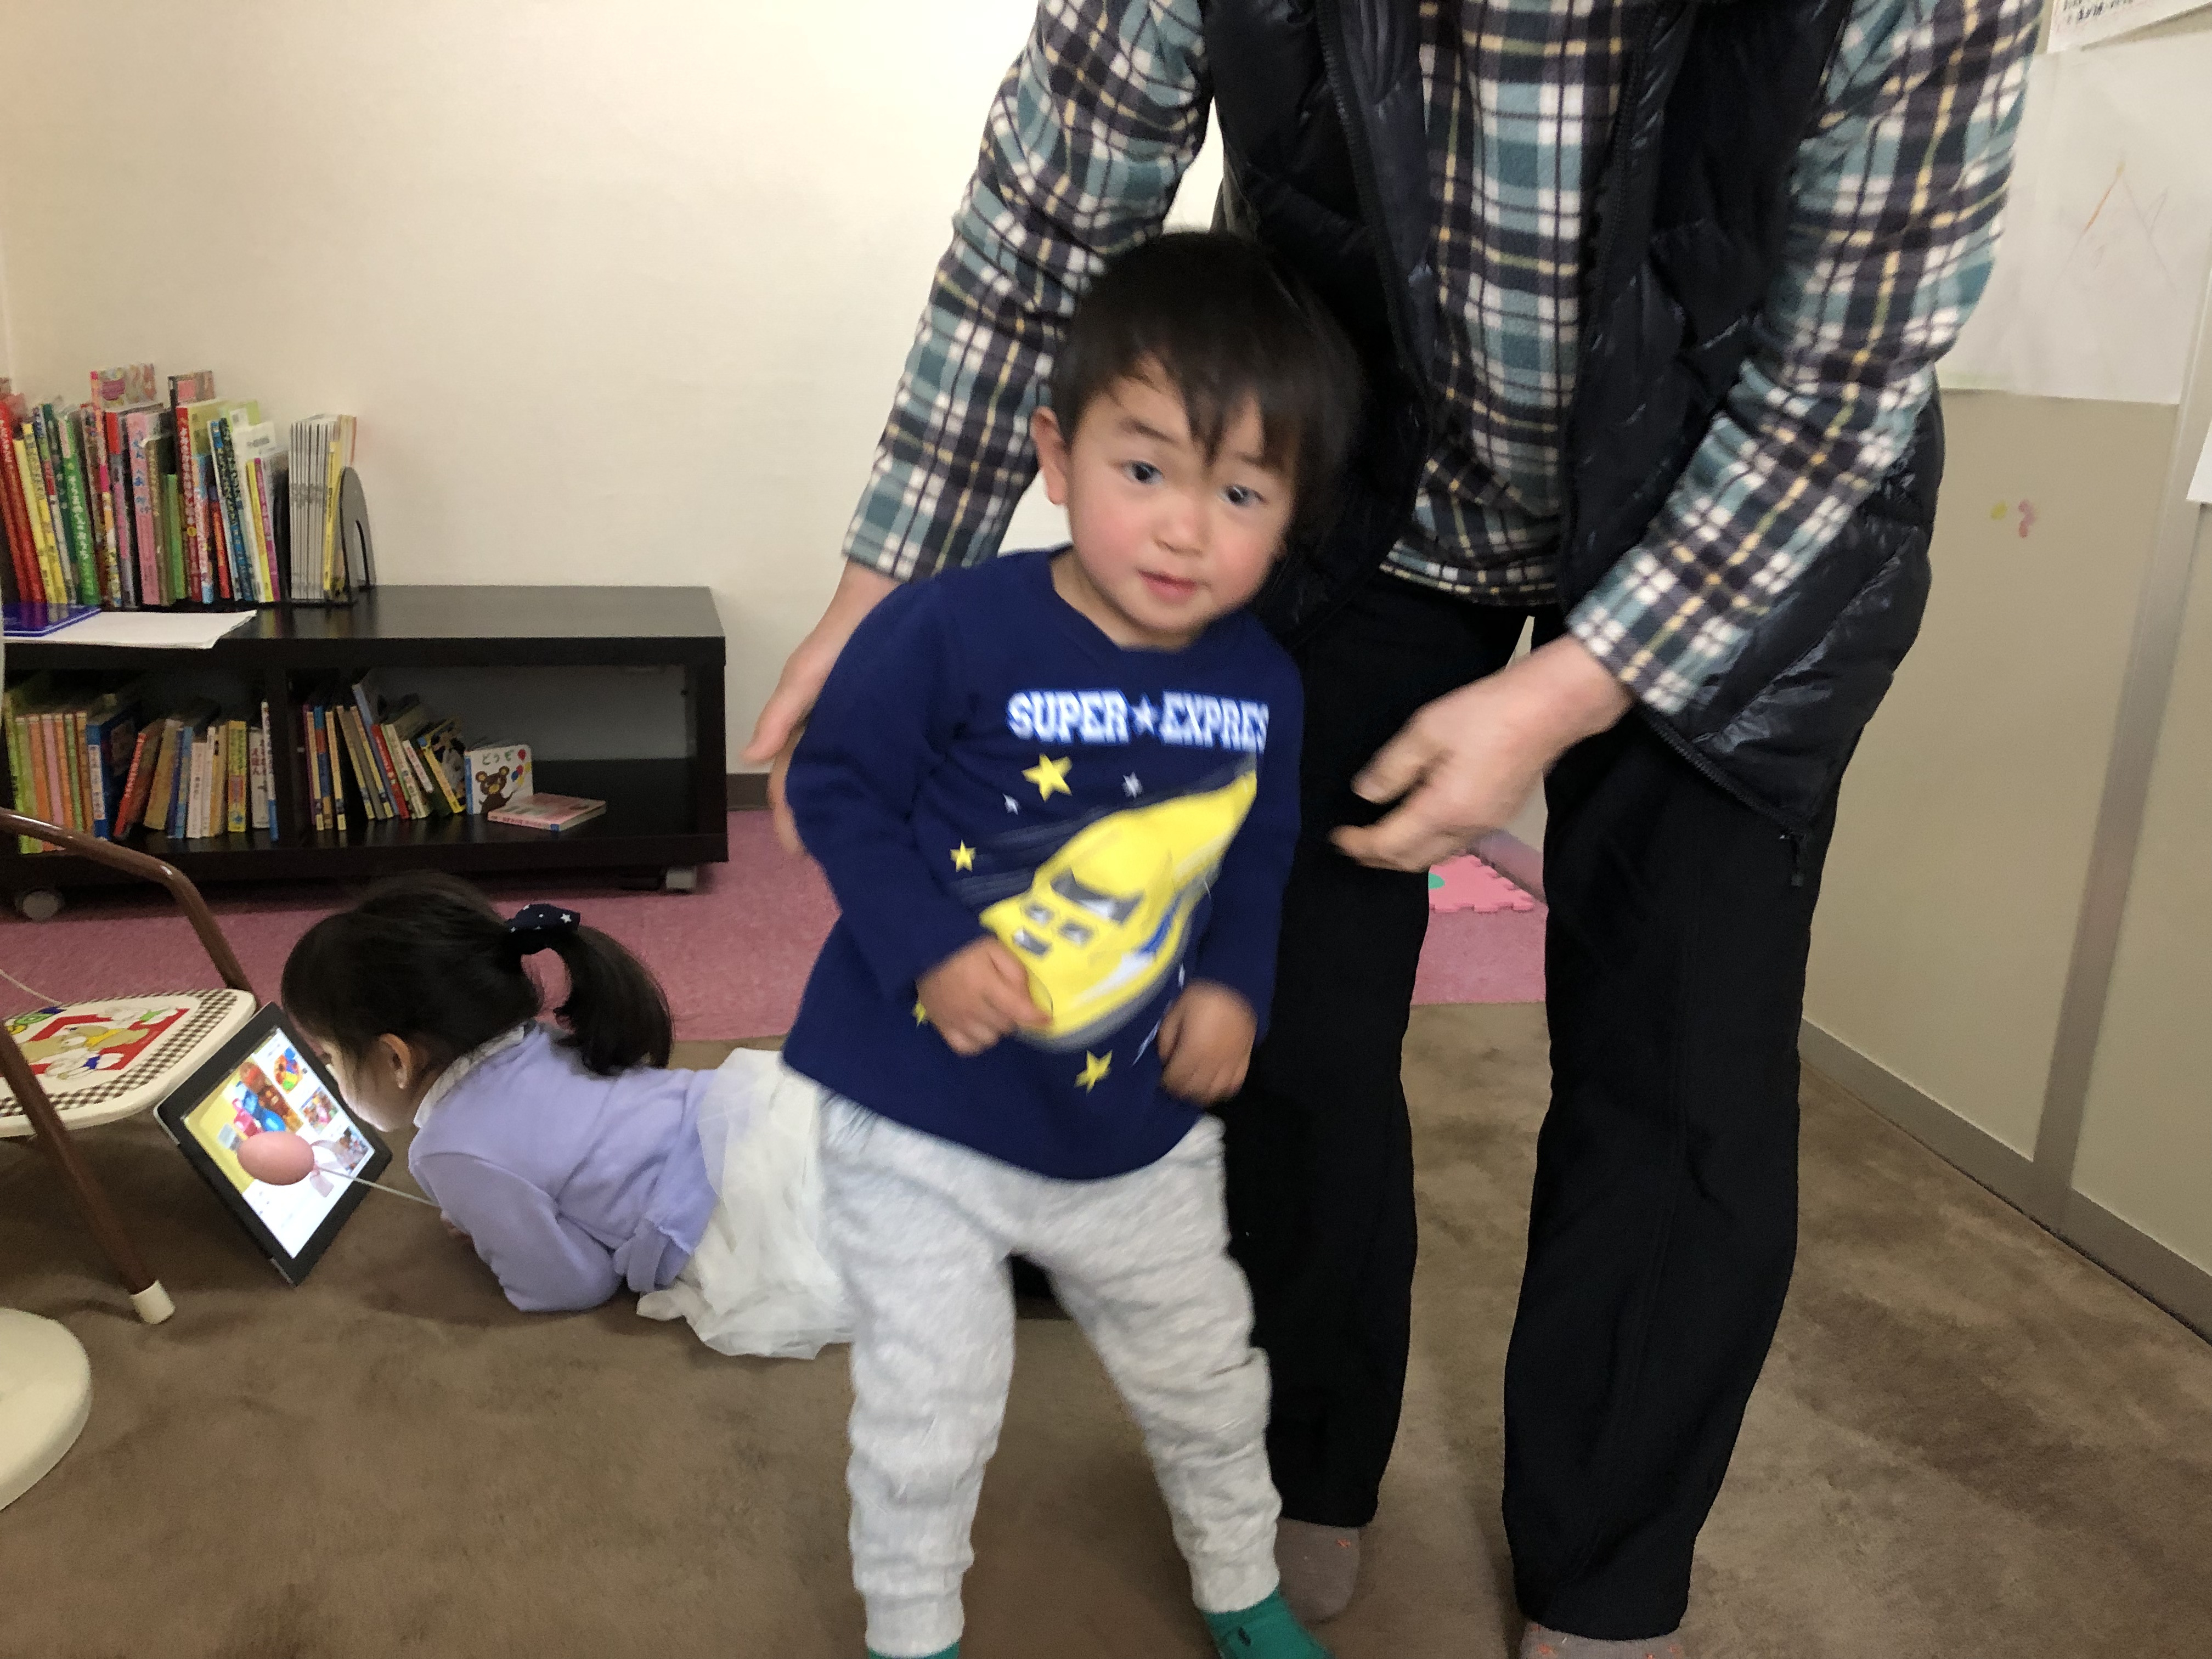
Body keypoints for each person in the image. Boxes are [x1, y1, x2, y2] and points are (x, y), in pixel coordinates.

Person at [747, 3, 2039, 1654]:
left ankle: (1607, 1570)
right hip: (1367, 493)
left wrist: (1564, 693)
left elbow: (1842, 383)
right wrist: (888, 586)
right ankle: (1297, 1462)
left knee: (1687, 1056)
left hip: (1735, 511)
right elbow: (1049, 216)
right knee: (1283, 1007)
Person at [780, 232, 1359, 1659]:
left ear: (1292, 514)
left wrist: (1234, 986)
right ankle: (911, 1632)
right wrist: (928, 946)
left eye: (1241, 493)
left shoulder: (1264, 683)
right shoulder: (947, 627)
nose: (1185, 530)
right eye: (1145, 469)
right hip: (919, 1120)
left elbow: (1259, 855)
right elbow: (835, 788)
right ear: (1057, 454)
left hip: (1134, 1129)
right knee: (932, 1404)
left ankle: (1243, 1588)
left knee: (1210, 1381)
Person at [281, 872, 849, 1360]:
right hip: (755, 1117)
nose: (327, 1070)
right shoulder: (533, 1038)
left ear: (396, 1059)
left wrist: (497, 1238)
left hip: (731, 1214)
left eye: (329, 1055)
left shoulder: (448, 1152)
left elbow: (573, 1284)